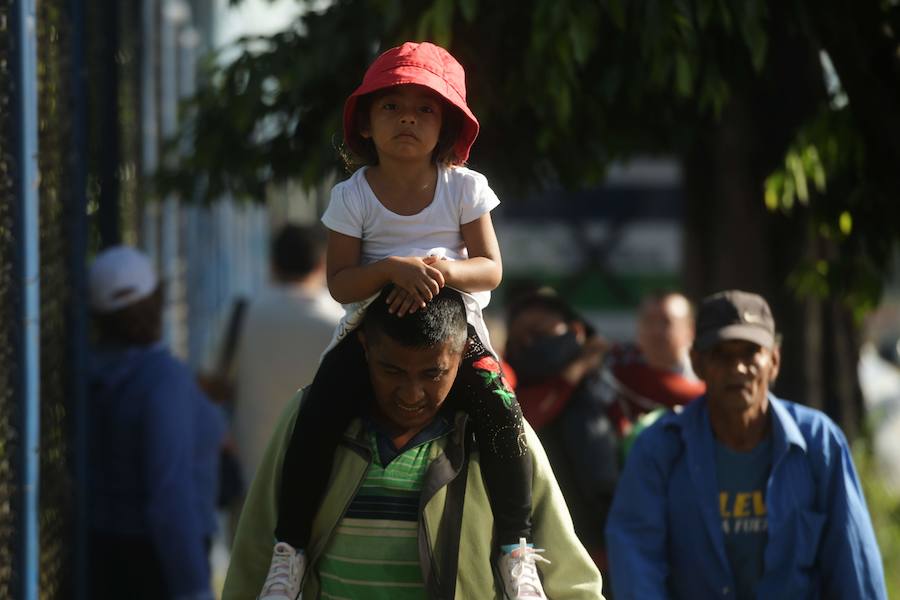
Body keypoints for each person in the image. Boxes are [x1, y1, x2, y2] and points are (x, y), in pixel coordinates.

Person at [258, 42, 542, 599]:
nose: (408, 117)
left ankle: (515, 549)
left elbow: (490, 270)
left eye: (425, 108)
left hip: (453, 330)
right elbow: (341, 282)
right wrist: (391, 269)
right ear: (365, 121)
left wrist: (437, 272)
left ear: (448, 126)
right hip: (372, 325)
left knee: (504, 412)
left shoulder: (465, 187)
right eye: (392, 106)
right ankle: (288, 549)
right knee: (316, 412)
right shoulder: (352, 194)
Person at [224, 286, 605, 599]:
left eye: (432, 373)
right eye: (391, 371)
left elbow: (568, 577)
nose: (411, 393)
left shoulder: (498, 435)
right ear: (365, 348)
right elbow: (257, 550)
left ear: (460, 358)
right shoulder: (310, 419)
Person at [605, 290, 888, 599]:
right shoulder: (659, 447)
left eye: (750, 353)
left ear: (774, 361)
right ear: (697, 364)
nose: (738, 368)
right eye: (722, 355)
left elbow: (853, 565)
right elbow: (637, 561)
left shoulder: (819, 442)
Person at [87, 245, 226, 600]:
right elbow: (170, 494)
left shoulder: (92, 371)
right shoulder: (163, 378)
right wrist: (194, 588)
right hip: (160, 563)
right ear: (157, 299)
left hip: (104, 550)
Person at [504, 289, 617, 572]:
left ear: (576, 331)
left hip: (607, 545)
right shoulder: (509, 387)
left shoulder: (609, 381)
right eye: (519, 338)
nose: (529, 343)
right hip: (544, 553)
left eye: (539, 333)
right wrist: (575, 371)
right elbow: (526, 419)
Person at [231, 223, 343, 485]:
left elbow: (213, 383)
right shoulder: (339, 323)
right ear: (321, 264)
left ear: (272, 264)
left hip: (254, 470)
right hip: (320, 473)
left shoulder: (244, 313)